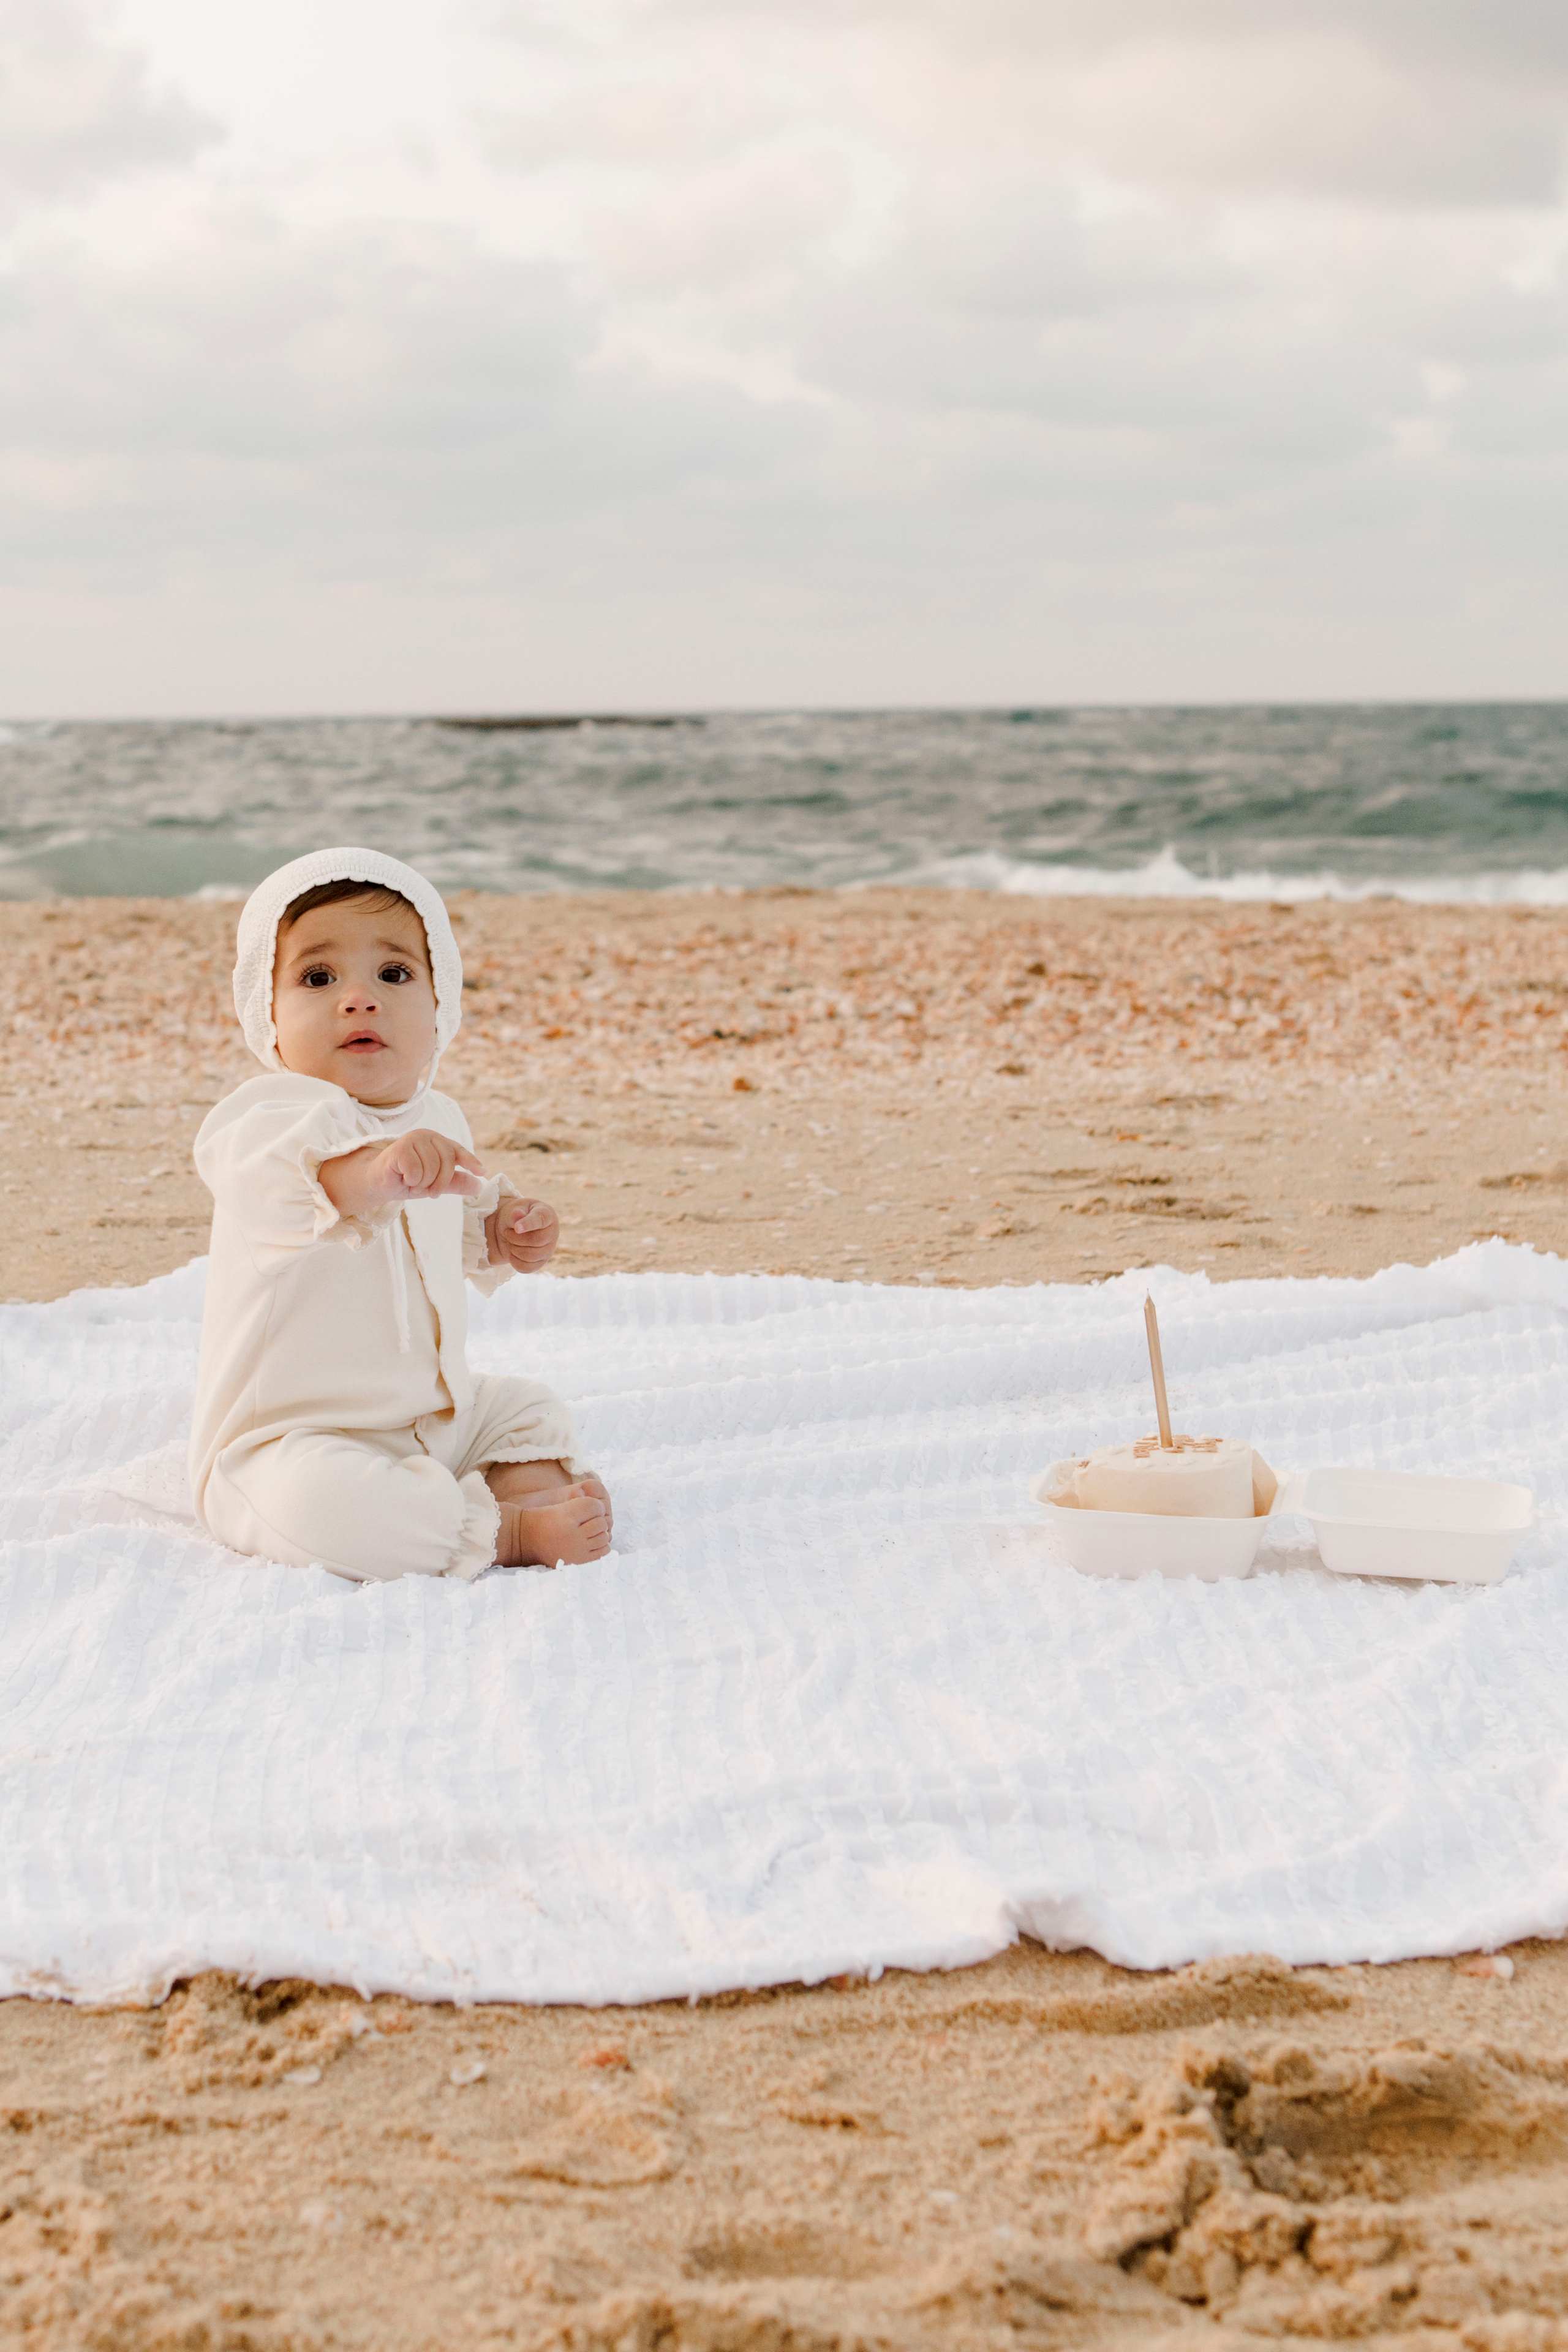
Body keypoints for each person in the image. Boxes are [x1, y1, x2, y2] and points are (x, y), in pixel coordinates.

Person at [187, 846, 612, 1583]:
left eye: (394, 974)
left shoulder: (438, 1114)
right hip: (294, 1437)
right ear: (269, 1016)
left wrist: (507, 1229)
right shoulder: (269, 1117)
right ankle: (502, 1531)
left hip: (432, 1421)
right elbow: (289, 1188)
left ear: (441, 1005)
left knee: (523, 1407)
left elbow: (459, 1224)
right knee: (319, 1505)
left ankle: (526, 1482)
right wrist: (377, 1172)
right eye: (318, 978)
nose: (359, 998)